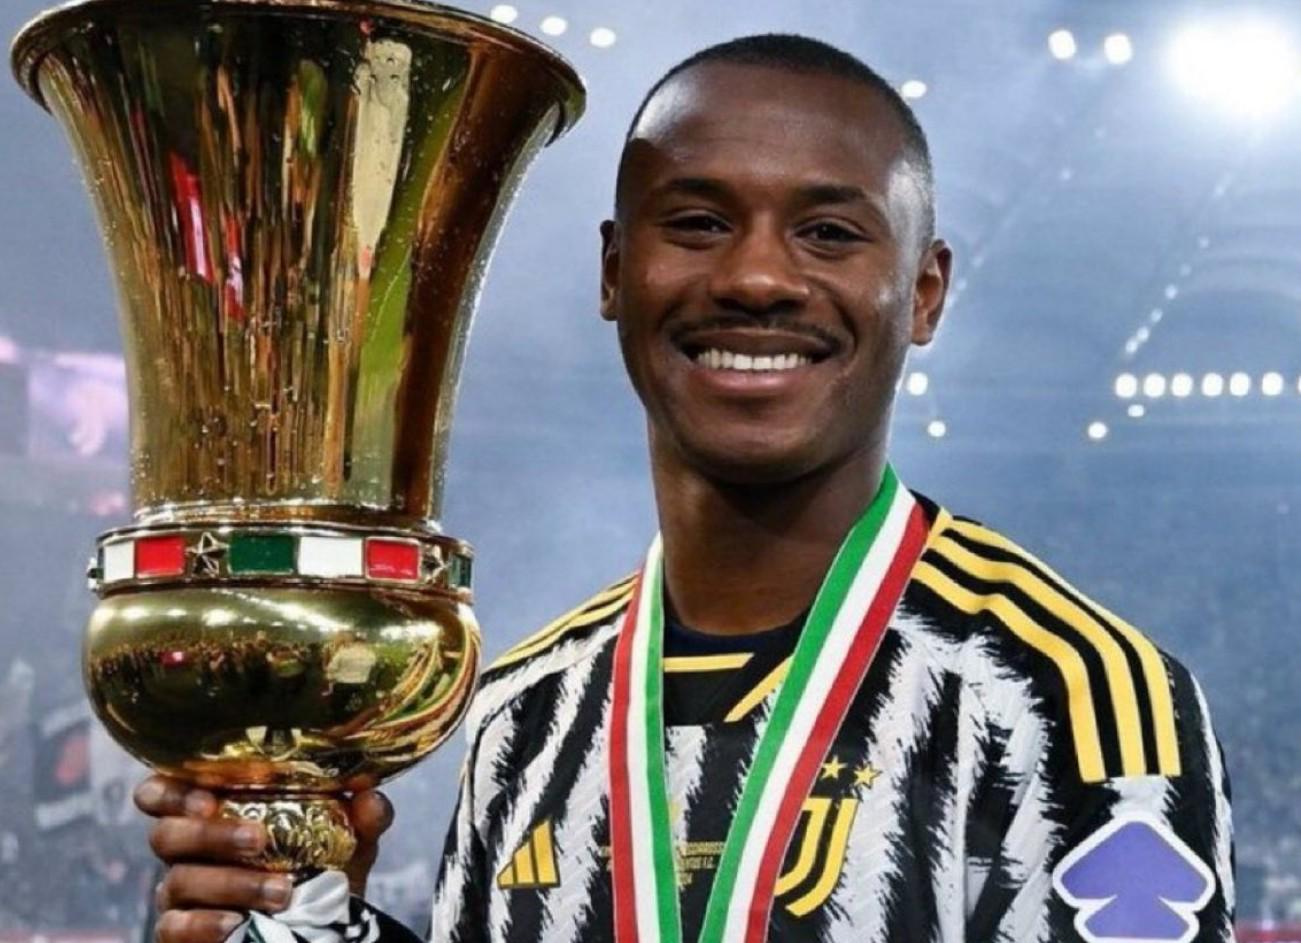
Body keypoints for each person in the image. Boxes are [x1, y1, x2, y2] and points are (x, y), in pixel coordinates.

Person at [135, 34, 1235, 943]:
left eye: (829, 233)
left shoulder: (1070, 697)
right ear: (615, 271)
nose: (755, 277)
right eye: (698, 223)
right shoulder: (521, 712)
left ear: (923, 292)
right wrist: (295, 909)